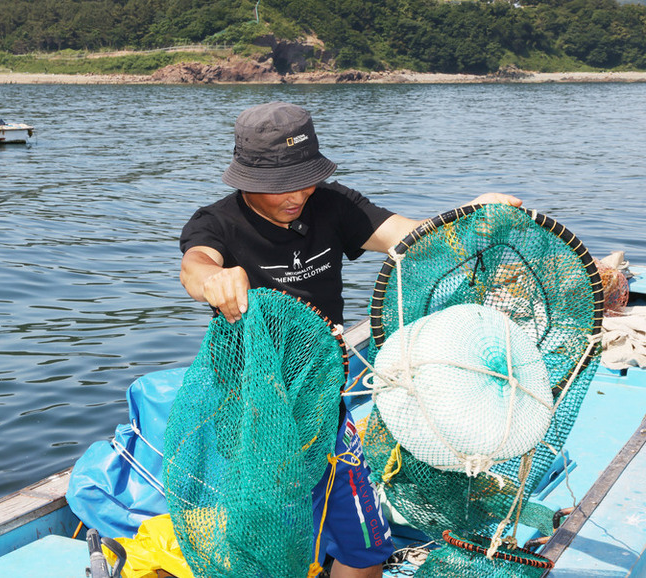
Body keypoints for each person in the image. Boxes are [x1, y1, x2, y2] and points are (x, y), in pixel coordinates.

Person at [178, 101, 521, 578]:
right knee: (268, 543)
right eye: (280, 185)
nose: (296, 194)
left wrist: (470, 218)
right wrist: (213, 280)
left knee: (366, 551)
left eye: (305, 177)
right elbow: (195, 265)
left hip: (325, 402)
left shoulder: (333, 204)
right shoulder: (216, 223)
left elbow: (411, 235)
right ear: (246, 179)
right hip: (250, 412)